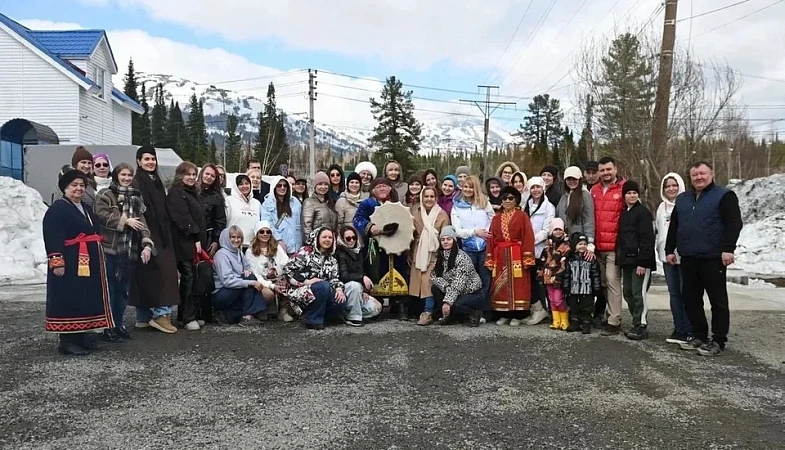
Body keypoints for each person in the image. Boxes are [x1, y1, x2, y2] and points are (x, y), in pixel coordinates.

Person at [665, 161, 743, 356]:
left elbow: (734, 223)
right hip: (689, 257)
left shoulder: (724, 196)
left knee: (717, 301)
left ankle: (718, 340)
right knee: (691, 298)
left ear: (711, 174)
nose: (699, 178)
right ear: (690, 178)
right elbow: (674, 225)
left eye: (702, 173)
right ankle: (699, 335)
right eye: (695, 175)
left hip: (713, 257)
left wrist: (728, 248)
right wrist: (669, 249)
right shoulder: (683, 199)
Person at [43, 169, 114, 355]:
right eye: (74, 185)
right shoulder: (58, 209)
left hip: (86, 262)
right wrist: (56, 260)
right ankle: (67, 341)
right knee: (69, 297)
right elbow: (52, 236)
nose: (79, 189)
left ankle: (81, 335)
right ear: (65, 188)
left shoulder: (85, 208)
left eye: (82, 185)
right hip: (70, 260)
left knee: (84, 296)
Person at [94, 163, 154, 342]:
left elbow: (141, 221)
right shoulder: (105, 195)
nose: (127, 178)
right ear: (116, 176)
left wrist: (146, 241)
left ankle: (118, 324)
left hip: (129, 250)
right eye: (123, 175)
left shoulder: (136, 197)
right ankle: (107, 326)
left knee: (123, 291)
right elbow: (102, 216)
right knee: (110, 289)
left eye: (129, 175)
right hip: (110, 249)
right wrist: (125, 221)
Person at [131, 146, 180, 334]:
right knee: (159, 273)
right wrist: (145, 235)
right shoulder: (137, 182)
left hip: (161, 232)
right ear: (138, 161)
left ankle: (144, 315)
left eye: (153, 159)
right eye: (146, 159)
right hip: (147, 232)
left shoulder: (156, 181)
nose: (150, 162)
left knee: (150, 273)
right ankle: (160, 315)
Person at [353, 178, 411, 315]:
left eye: (385, 186)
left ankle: (399, 306)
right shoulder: (367, 204)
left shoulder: (397, 204)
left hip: (397, 246)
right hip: (376, 247)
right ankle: (376, 305)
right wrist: (370, 227)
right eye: (379, 187)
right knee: (377, 273)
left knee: (399, 272)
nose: (382, 189)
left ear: (390, 189)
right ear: (373, 190)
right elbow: (357, 219)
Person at [283, 226, 352, 330]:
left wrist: (339, 289)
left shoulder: (332, 259)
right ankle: (312, 320)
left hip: (324, 290)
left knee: (340, 300)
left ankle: (324, 317)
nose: (327, 240)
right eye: (324, 237)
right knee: (323, 286)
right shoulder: (305, 252)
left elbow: (334, 278)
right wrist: (308, 281)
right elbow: (288, 270)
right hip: (301, 290)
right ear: (317, 238)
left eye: (330, 237)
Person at [485, 186, 536, 326]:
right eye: (504, 198)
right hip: (500, 256)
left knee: (518, 285)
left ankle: (517, 315)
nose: (507, 201)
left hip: (517, 255)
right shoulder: (496, 219)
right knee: (501, 285)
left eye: (510, 198)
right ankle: (503, 314)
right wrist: (490, 258)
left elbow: (528, 237)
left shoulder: (522, 216)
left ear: (516, 200)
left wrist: (527, 257)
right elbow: (491, 239)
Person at [167, 162, 207, 331]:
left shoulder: (192, 193)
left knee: (191, 278)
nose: (191, 177)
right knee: (188, 278)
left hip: (190, 241)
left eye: (193, 174)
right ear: (180, 175)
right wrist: (196, 236)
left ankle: (187, 315)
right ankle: (187, 317)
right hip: (182, 242)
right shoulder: (176, 194)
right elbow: (182, 219)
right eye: (187, 174)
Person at [616, 180, 656, 340]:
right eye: (628, 193)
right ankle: (635, 321)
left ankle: (641, 325)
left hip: (640, 262)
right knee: (628, 293)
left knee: (638, 294)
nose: (631, 196)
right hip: (627, 261)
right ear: (624, 196)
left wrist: (643, 262)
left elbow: (647, 238)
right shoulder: (625, 212)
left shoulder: (643, 213)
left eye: (634, 193)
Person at [655, 172, 692, 345]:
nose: (671, 188)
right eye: (667, 186)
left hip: (684, 257)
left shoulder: (688, 204)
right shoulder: (661, 207)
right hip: (667, 258)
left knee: (688, 294)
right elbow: (659, 231)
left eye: (674, 185)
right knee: (674, 294)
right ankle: (679, 328)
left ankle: (690, 329)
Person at [451, 175, 494, 319]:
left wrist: (486, 232)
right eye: (465, 187)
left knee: (485, 280)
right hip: (468, 248)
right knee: (470, 281)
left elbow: (492, 219)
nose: (468, 190)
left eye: (471, 187)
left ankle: (486, 312)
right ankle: (470, 311)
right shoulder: (456, 205)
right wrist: (474, 232)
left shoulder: (484, 202)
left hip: (484, 247)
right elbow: (457, 230)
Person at [591, 156, 625, 336]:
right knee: (603, 283)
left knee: (612, 282)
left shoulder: (624, 188)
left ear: (615, 169)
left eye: (608, 169)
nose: (605, 173)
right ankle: (607, 313)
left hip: (614, 246)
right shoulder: (594, 190)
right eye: (602, 170)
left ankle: (614, 320)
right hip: (597, 246)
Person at [211, 226, 267, 326]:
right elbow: (227, 281)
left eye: (239, 237)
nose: (236, 240)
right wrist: (250, 282)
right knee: (251, 281)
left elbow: (248, 267)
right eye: (233, 237)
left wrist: (247, 270)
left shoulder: (238, 252)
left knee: (250, 276)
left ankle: (233, 315)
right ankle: (248, 316)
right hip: (221, 292)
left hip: (232, 289)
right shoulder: (221, 255)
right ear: (226, 238)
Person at [410, 187, 450, 325]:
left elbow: (446, 236)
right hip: (417, 250)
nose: (428, 199)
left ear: (436, 198)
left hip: (434, 251)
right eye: (426, 196)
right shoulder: (415, 212)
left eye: (431, 196)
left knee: (429, 281)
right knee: (419, 281)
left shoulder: (442, 215)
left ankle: (428, 312)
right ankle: (419, 310)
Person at [431, 226, 485, 327]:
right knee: (435, 288)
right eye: (443, 240)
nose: (445, 242)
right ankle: (451, 317)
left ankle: (473, 313)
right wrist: (446, 287)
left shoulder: (462, 257)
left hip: (472, 293)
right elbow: (434, 277)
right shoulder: (440, 256)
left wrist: (447, 301)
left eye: (449, 239)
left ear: (454, 241)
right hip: (453, 290)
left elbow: (458, 284)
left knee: (455, 303)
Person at [523, 176, 555, 325]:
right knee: (528, 281)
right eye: (533, 187)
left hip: (540, 249)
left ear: (543, 188)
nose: (536, 190)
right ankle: (536, 308)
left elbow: (547, 229)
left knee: (540, 281)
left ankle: (546, 310)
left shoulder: (549, 207)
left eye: (538, 187)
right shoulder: (527, 204)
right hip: (526, 249)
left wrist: (531, 241)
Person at [335, 225, 383, 323]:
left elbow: (363, 271)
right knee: (354, 285)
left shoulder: (358, 252)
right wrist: (362, 278)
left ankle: (345, 314)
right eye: (348, 239)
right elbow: (344, 276)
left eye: (354, 238)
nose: (352, 241)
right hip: (344, 290)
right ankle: (354, 318)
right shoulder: (340, 253)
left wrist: (365, 290)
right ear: (342, 240)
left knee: (377, 308)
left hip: (358, 290)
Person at [245, 220, 289, 319]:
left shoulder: (277, 247)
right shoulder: (250, 252)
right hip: (262, 282)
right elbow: (255, 275)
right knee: (268, 294)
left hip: (278, 278)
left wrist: (283, 277)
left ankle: (284, 310)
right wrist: (272, 285)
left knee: (290, 283)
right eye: (262, 232)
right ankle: (260, 310)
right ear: (257, 234)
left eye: (268, 232)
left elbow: (287, 264)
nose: (265, 234)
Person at [563, 232, 601, 334]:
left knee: (587, 307)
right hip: (573, 288)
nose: (583, 246)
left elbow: (595, 274)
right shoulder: (570, 259)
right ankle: (575, 323)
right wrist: (566, 287)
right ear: (575, 246)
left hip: (587, 289)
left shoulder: (591, 259)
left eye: (585, 244)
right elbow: (567, 274)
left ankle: (586, 324)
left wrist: (596, 288)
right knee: (574, 306)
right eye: (580, 244)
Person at [539, 218, 570, 331]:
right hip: (547, 275)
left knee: (558, 298)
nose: (558, 232)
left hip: (558, 276)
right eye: (555, 229)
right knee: (551, 299)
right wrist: (540, 274)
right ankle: (556, 320)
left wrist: (561, 275)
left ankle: (564, 319)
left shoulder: (566, 245)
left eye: (560, 229)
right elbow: (543, 261)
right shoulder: (548, 246)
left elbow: (565, 261)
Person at [261, 176, 302, 258]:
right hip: (278, 246)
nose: (282, 188)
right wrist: (278, 240)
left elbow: (301, 222)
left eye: (285, 185)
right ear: (274, 187)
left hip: (296, 246)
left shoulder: (295, 202)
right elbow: (268, 224)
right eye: (279, 185)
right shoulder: (267, 204)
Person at [225, 174, 262, 251]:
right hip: (234, 246)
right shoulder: (229, 201)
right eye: (241, 184)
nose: (244, 186)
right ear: (236, 186)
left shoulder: (257, 203)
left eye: (247, 183)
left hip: (253, 247)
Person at [198, 163, 227, 258]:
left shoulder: (217, 197)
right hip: (190, 238)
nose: (209, 177)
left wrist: (215, 241)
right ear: (202, 173)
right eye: (207, 174)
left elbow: (220, 221)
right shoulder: (191, 191)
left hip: (208, 238)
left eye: (212, 176)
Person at [302, 171, 338, 236]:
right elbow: (306, 228)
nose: (323, 187)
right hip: (316, 243)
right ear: (315, 186)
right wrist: (311, 243)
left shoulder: (330, 202)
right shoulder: (309, 202)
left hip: (330, 241)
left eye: (326, 184)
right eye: (320, 184)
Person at [335, 172, 367, 246]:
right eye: (352, 182)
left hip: (363, 239)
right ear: (347, 184)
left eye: (357, 182)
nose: (354, 185)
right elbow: (338, 224)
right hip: (348, 240)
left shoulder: (366, 200)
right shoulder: (341, 201)